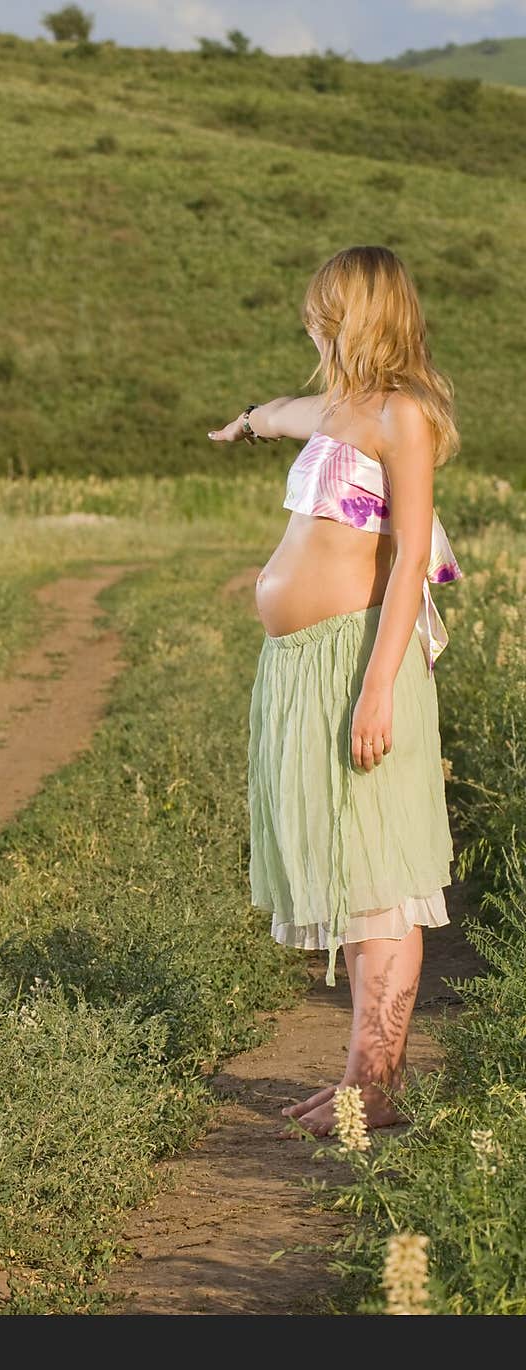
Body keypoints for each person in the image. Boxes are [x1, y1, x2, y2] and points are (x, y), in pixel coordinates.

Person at [209, 245, 461, 1137]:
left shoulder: (401, 416)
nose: (313, 322)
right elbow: (282, 414)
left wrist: (378, 687)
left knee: (380, 873)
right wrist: (244, 420)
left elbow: (407, 570)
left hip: (357, 659)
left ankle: (375, 1087)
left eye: (326, 309)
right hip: (299, 664)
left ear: (361, 311)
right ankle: (361, 1075)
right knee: (347, 871)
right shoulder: (337, 407)